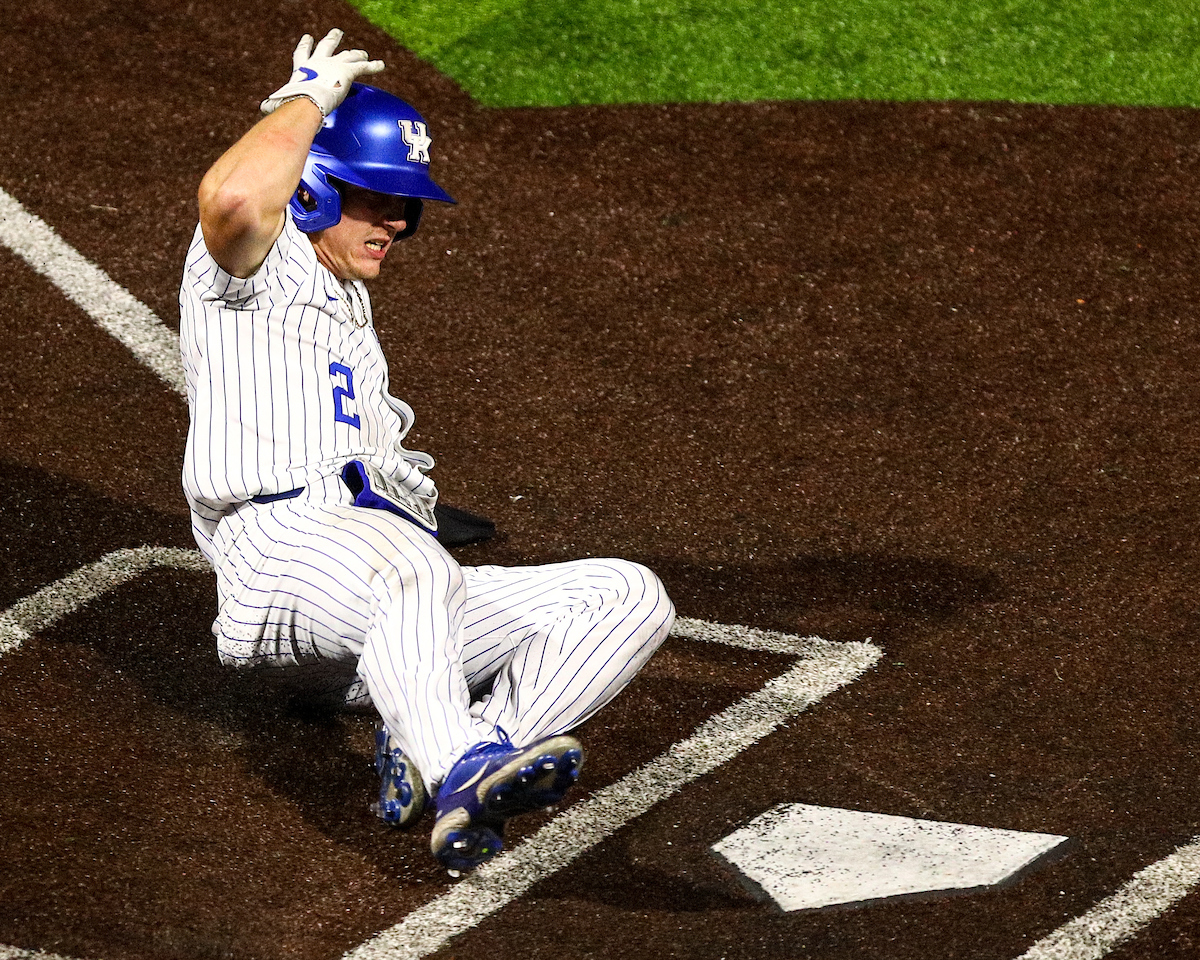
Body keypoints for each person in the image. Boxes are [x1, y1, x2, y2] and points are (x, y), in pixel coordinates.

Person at [177, 29, 675, 875]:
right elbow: (229, 203)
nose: (400, 221)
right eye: (377, 199)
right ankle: (463, 769)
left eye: (406, 207)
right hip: (281, 563)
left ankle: (442, 750)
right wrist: (304, 102)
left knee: (628, 595)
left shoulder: (349, 321)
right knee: (412, 567)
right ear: (312, 193)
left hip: (367, 592)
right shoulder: (250, 272)